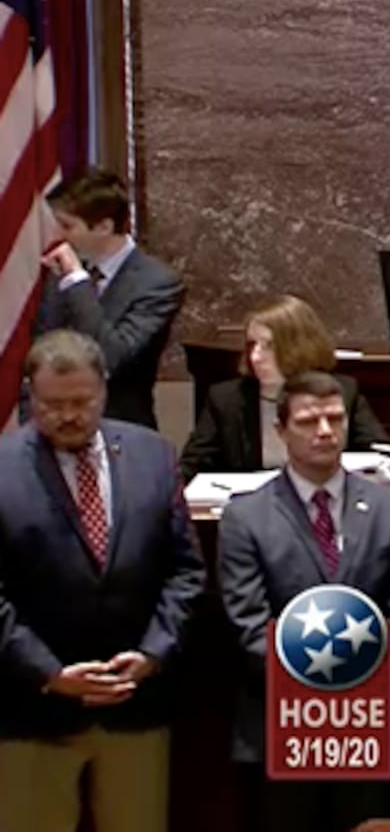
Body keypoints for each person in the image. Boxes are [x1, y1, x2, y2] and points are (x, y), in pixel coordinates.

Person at [0, 330, 206, 832]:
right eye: (52, 404)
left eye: (81, 402)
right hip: (34, 710)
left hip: (134, 706)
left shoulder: (154, 456)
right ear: (30, 394)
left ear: (104, 391)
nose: (68, 415)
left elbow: (186, 571)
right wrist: (50, 672)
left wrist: (153, 654)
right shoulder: (2, 468)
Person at [217, 371, 390, 832]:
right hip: (283, 722)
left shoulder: (389, 509)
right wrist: (322, 688)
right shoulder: (246, 516)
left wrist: (356, 682)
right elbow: (247, 623)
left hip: (367, 721)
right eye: (309, 421)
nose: (325, 431)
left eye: (335, 418)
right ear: (281, 431)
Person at [27, 169, 183, 430]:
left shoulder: (157, 283)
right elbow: (41, 351)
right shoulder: (62, 273)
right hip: (50, 431)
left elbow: (110, 358)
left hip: (119, 431)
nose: (59, 236)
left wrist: (78, 282)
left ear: (104, 227)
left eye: (67, 226)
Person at [181, 294, 388, 480]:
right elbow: (190, 468)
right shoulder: (226, 399)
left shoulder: (341, 392)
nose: (256, 357)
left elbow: (379, 457)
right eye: (252, 344)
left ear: (298, 346)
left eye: (268, 346)